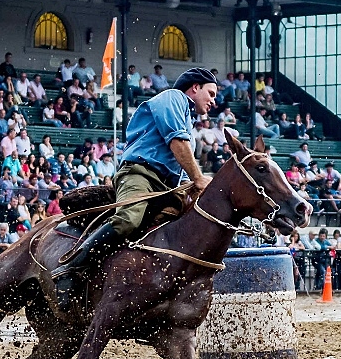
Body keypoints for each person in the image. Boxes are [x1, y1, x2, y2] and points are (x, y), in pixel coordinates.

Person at [50, 68, 219, 306]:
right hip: (139, 173)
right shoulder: (173, 98)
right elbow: (177, 142)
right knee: (129, 219)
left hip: (165, 184)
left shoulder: (187, 115)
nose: (213, 101)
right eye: (210, 93)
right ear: (195, 88)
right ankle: (69, 267)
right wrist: (198, 179)